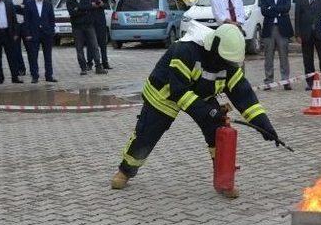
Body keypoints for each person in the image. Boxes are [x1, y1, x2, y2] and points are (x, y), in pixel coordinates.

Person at [110, 24, 280, 197]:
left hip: (200, 95)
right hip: (164, 93)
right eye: (225, 60)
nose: (227, 64)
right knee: (147, 134)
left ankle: (224, 181)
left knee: (218, 133)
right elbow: (179, 92)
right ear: (214, 48)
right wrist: (208, 112)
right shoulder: (186, 51)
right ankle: (125, 171)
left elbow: (244, 96)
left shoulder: (229, 63)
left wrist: (264, 125)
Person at [259, 0, 293, 91]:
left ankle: (286, 81)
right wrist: (278, 11)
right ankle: (268, 81)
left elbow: (286, 8)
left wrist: (271, 9)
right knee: (268, 57)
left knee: (284, 56)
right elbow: (264, 11)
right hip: (269, 28)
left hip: (282, 29)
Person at [67, 0, 107, 76]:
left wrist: (78, 9)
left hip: (89, 25)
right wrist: (82, 10)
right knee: (79, 48)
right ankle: (83, 68)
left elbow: (88, 8)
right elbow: (72, 13)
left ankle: (98, 67)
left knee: (94, 46)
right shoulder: (70, 1)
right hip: (77, 27)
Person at [24, 0, 57, 83]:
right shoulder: (29, 4)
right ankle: (35, 76)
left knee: (48, 55)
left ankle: (49, 75)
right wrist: (28, 34)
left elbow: (52, 19)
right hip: (34, 33)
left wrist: (51, 30)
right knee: (33, 56)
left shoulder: (48, 4)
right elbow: (27, 20)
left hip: (46, 33)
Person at [83, 0, 111, 70]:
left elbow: (107, 5)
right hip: (90, 20)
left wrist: (103, 4)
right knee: (90, 43)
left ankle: (105, 62)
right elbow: (84, 5)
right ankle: (89, 63)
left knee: (102, 42)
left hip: (100, 21)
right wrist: (91, 5)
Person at [6, 0, 29, 76]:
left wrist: (15, 8)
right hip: (14, 27)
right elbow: (10, 10)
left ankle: (33, 68)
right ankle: (21, 69)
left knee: (30, 49)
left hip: (25, 26)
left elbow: (27, 10)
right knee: (16, 50)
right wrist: (20, 7)